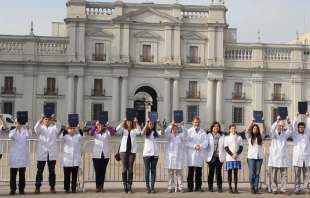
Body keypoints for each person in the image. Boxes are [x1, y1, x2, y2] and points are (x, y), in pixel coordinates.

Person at [34, 113, 61, 194]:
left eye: (48, 119)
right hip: (42, 152)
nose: (47, 121)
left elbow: (59, 127)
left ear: (50, 120)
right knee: (39, 171)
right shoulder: (40, 128)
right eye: (45, 119)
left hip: (51, 153)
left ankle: (52, 187)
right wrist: (40, 120)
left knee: (52, 171)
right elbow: (35, 129)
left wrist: (55, 119)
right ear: (43, 120)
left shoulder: (53, 128)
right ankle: (37, 187)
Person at [268, 115, 292, 195]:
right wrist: (277, 121)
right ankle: (274, 188)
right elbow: (271, 130)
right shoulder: (273, 134)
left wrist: (288, 121)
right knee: (274, 174)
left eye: (283, 126)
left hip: (283, 157)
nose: (281, 127)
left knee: (284, 175)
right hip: (275, 157)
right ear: (277, 125)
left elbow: (291, 130)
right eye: (280, 125)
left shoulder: (284, 134)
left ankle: (283, 189)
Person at [89, 121, 115, 192]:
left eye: (102, 125)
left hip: (105, 155)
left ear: (104, 126)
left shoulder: (106, 132)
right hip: (97, 155)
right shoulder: (95, 132)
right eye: (99, 125)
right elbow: (90, 133)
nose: (100, 127)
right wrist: (95, 126)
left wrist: (109, 126)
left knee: (103, 171)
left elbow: (112, 133)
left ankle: (102, 186)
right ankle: (97, 186)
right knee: (97, 171)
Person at [116, 117, 141, 194]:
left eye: (130, 122)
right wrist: (123, 122)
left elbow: (139, 131)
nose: (129, 123)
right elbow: (117, 129)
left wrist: (136, 123)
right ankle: (124, 185)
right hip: (123, 151)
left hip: (132, 151)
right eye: (127, 122)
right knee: (124, 168)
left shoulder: (134, 130)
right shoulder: (123, 130)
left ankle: (129, 185)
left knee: (130, 168)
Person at [185, 116, 208, 192]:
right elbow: (186, 141)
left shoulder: (203, 132)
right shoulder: (189, 131)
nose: (197, 124)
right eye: (195, 122)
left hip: (200, 152)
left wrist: (200, 146)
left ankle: (198, 187)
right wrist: (194, 146)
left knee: (199, 172)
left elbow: (206, 142)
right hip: (192, 153)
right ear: (192, 123)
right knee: (191, 172)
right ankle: (190, 187)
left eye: (198, 122)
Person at [9, 120, 32, 195]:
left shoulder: (25, 131)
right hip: (15, 156)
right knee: (13, 174)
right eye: (16, 123)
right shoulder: (13, 130)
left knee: (22, 174)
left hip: (22, 155)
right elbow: (10, 136)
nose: (17, 124)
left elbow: (29, 135)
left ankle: (21, 189)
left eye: (18, 123)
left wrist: (28, 127)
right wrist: (16, 128)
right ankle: (12, 189)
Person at [141, 118, 164, 193]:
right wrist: (146, 124)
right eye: (150, 124)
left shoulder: (156, 132)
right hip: (147, 153)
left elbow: (163, 132)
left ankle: (152, 186)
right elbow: (142, 133)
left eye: (152, 124)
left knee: (153, 170)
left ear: (154, 125)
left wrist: (159, 124)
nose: (151, 125)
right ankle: (147, 186)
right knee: (147, 170)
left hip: (155, 153)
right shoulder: (146, 132)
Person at [164, 121, 187, 193]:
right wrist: (171, 125)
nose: (175, 130)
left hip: (178, 157)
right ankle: (170, 187)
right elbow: (166, 132)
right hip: (171, 157)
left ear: (178, 130)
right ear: (171, 130)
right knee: (170, 173)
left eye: (176, 129)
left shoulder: (180, 136)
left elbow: (186, 134)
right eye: (173, 129)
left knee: (179, 173)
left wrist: (183, 126)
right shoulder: (169, 136)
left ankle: (180, 187)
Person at [246, 117, 267, 194]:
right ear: (252, 129)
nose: (255, 130)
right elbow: (247, 130)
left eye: (257, 129)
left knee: (257, 173)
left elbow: (265, 130)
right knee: (252, 173)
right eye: (254, 128)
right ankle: (252, 187)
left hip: (259, 157)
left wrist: (263, 122)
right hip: (251, 157)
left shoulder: (260, 136)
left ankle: (256, 187)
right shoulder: (249, 136)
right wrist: (252, 122)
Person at [60, 124, 84, 193]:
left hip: (75, 159)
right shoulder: (65, 137)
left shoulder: (77, 137)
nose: (72, 130)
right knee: (67, 175)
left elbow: (82, 135)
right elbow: (61, 137)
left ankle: (73, 188)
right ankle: (67, 189)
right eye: (70, 129)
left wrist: (79, 128)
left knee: (74, 175)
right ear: (68, 130)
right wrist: (65, 129)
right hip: (67, 160)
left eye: (73, 129)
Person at [292, 111, 310, 195]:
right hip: (298, 158)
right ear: (298, 128)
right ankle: (297, 188)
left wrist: (308, 117)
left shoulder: (307, 135)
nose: (301, 128)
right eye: (300, 127)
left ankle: (307, 188)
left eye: (303, 127)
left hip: (306, 158)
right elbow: (293, 126)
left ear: (304, 128)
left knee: (306, 175)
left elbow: (309, 127)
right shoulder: (295, 135)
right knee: (297, 175)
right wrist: (296, 116)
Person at [206, 121, 226, 193]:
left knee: (218, 172)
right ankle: (210, 186)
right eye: (215, 126)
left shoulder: (222, 136)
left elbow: (225, 145)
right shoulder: (208, 135)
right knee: (211, 172)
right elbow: (205, 144)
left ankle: (219, 186)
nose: (216, 127)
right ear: (212, 128)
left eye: (217, 126)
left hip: (219, 156)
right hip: (211, 156)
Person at [224, 124, 243, 194]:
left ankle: (235, 187)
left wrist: (236, 154)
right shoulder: (227, 138)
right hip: (230, 157)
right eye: (232, 128)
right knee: (229, 173)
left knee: (235, 173)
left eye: (234, 128)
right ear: (229, 130)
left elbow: (241, 147)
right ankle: (230, 187)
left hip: (236, 157)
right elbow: (226, 147)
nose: (233, 130)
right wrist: (232, 154)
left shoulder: (239, 138)